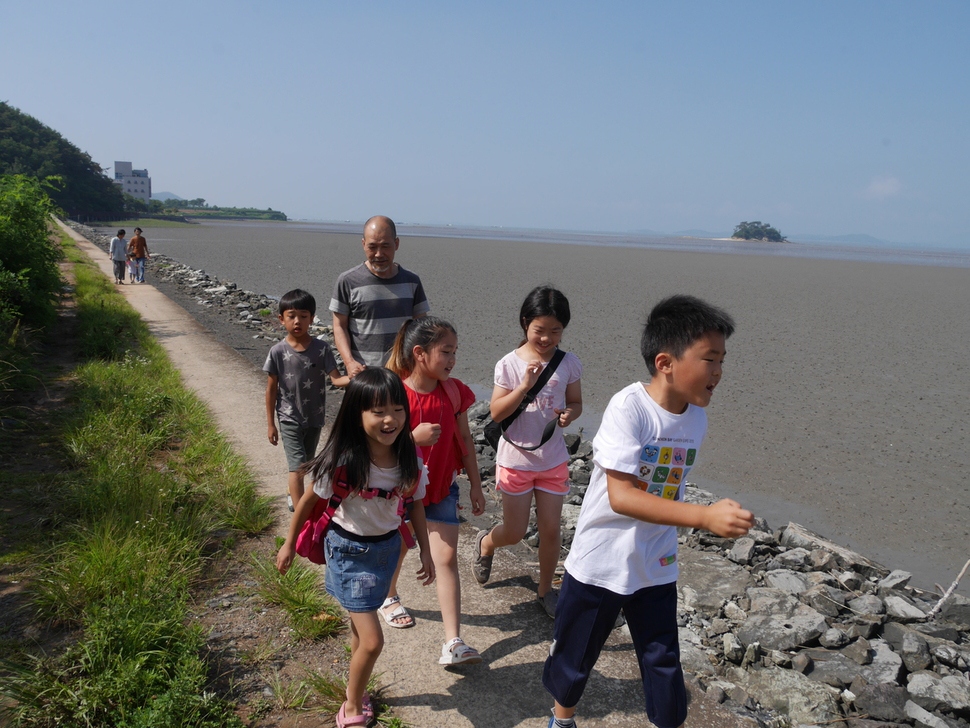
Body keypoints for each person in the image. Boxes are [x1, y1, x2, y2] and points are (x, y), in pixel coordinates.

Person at [542, 295, 754, 728]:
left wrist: (707, 516)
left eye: (722, 360)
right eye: (710, 359)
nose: (718, 372)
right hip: (601, 560)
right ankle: (562, 719)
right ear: (666, 362)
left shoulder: (696, 417)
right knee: (576, 654)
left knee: (663, 660)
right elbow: (621, 497)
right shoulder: (629, 407)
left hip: (655, 563)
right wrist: (704, 516)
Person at [276, 368, 435, 728]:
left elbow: (417, 505)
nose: (390, 419)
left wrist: (426, 550)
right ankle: (351, 704)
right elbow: (304, 503)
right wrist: (288, 544)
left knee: (358, 626)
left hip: (385, 552)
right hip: (348, 552)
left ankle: (355, 679)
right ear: (356, 414)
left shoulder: (410, 460)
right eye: (378, 411)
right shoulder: (342, 461)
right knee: (373, 640)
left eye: (397, 409)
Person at [473, 286, 583, 619]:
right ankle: (487, 543)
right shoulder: (508, 364)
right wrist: (523, 385)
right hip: (516, 460)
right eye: (539, 330)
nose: (547, 338)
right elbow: (495, 413)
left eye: (555, 331)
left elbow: (576, 402)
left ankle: (545, 589)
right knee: (516, 531)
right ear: (525, 324)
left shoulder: (569, 363)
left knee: (551, 530)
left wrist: (570, 414)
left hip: (553, 460)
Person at [384, 316, 486, 664]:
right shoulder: (393, 392)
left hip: (442, 488)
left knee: (446, 559)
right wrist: (412, 439)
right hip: (400, 493)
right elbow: (374, 446)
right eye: (445, 351)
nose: (452, 359)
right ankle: (389, 595)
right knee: (398, 548)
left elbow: (465, 438)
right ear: (419, 353)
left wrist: (475, 483)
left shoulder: (454, 390)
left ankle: (453, 642)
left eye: (455, 351)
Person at [264, 289, 349, 512]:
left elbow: (336, 380)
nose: (297, 321)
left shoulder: (321, 349)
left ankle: (292, 493)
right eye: (291, 316)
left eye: (303, 316)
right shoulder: (277, 352)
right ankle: (302, 513)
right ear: (281, 319)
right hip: (288, 416)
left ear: (312, 318)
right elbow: (271, 390)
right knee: (298, 467)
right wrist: (271, 423)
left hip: (314, 417)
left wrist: (356, 378)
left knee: (306, 462)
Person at [329, 216, 429, 377]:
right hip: (363, 376)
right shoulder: (348, 281)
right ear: (363, 244)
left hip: (403, 374)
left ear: (396, 244)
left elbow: (421, 327)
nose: (379, 254)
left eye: (385, 246)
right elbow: (339, 326)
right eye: (372, 247)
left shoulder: (412, 281)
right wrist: (349, 362)